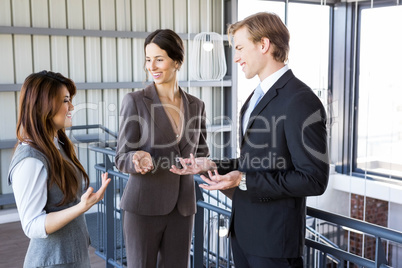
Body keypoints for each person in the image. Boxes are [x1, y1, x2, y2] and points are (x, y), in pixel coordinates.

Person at [170, 12, 329, 268]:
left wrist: (242, 180)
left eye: (241, 48)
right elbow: (255, 161)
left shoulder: (300, 100)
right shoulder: (256, 96)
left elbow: (313, 179)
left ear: (264, 45)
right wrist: (212, 165)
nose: (236, 58)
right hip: (244, 235)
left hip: (273, 244)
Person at [114, 29, 209, 268]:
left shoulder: (196, 106)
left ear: (177, 61)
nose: (152, 66)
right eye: (148, 59)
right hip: (143, 207)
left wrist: (199, 166)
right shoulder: (135, 101)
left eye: (159, 59)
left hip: (183, 207)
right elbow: (120, 157)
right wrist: (135, 157)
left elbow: (202, 154)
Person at [7, 70, 111, 267]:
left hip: (72, 257)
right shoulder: (30, 159)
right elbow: (32, 225)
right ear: (42, 107)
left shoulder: (57, 144)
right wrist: (82, 207)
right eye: (65, 100)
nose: (71, 106)